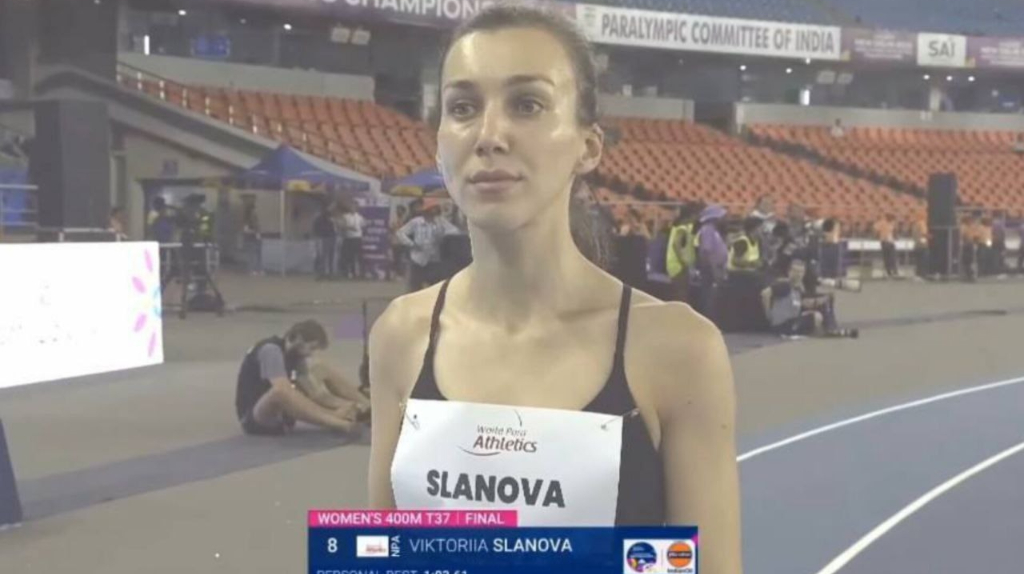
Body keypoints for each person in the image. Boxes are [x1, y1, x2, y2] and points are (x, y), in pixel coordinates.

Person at [367, 6, 742, 571]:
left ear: (588, 147)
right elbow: (382, 557)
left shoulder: (678, 349)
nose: (489, 135)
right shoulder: (400, 334)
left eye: (527, 104)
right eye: (463, 107)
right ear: (440, 144)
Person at [235, 320, 369, 436]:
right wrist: (331, 414)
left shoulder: (296, 356)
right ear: (298, 339)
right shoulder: (271, 350)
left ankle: (368, 407)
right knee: (281, 391)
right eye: (311, 348)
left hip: (283, 415)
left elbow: (315, 393)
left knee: (320, 368)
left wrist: (345, 405)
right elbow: (283, 391)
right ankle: (336, 422)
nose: (311, 353)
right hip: (255, 418)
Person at [761, 258, 858, 339]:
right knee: (816, 317)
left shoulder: (797, 289)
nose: (798, 274)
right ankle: (830, 329)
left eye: (801, 272)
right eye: (795, 271)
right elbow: (765, 293)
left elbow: (803, 303)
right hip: (783, 325)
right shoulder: (785, 285)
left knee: (822, 305)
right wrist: (768, 314)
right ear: (789, 272)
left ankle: (831, 327)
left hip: (792, 319)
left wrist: (821, 300)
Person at [395, 198, 460, 292]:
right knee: (414, 288)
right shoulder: (416, 222)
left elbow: (455, 231)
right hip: (418, 260)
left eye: (435, 209)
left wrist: (443, 237)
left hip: (433, 260)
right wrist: (412, 244)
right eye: (432, 209)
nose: (434, 211)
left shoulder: (440, 222)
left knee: (435, 288)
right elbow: (400, 233)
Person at [665, 202, 701, 303]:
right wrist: (683, 261)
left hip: (673, 265)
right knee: (682, 296)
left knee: (678, 295)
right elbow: (676, 245)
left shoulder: (676, 227)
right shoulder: (682, 228)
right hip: (678, 266)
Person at [339, 202, 367, 279]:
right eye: (351, 207)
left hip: (357, 238)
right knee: (348, 256)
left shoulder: (359, 217)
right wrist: (349, 228)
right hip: (348, 238)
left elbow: (364, 225)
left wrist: (362, 231)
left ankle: (358, 273)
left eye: (354, 207)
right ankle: (349, 272)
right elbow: (341, 226)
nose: (353, 208)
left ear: (356, 208)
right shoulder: (345, 216)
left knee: (358, 256)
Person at [312, 202, 337, 280]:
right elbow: (315, 228)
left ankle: (330, 273)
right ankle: (322, 273)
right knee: (323, 256)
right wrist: (318, 236)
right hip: (323, 238)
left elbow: (334, 227)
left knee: (331, 256)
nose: (332, 209)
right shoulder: (320, 217)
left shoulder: (331, 217)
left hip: (331, 237)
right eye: (331, 207)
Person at [241, 199, 262, 275]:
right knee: (252, 255)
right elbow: (245, 230)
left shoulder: (254, 219)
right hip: (250, 239)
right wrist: (255, 232)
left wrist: (257, 233)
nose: (254, 212)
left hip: (255, 238)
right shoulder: (247, 220)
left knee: (257, 254)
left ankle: (257, 269)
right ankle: (251, 270)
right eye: (253, 210)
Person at [874, 214, 897, 278]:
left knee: (892, 257)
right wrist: (877, 235)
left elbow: (893, 231)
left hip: (890, 241)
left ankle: (893, 271)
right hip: (885, 241)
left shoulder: (892, 223)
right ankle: (889, 271)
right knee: (887, 257)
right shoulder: (882, 222)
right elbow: (875, 228)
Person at [912, 214, 929, 278]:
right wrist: (930, 237)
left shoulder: (915, 225)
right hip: (922, 245)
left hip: (916, 245)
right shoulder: (922, 224)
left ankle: (917, 274)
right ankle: (922, 275)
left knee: (918, 262)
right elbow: (923, 234)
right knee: (923, 261)